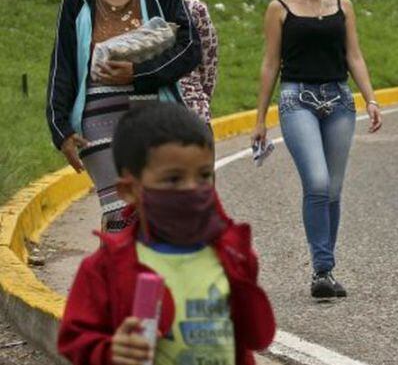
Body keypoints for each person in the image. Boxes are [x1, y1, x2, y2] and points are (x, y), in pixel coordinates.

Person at [57, 102, 275, 365]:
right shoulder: (107, 268)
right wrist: (111, 351)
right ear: (129, 191)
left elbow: (257, 335)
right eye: (173, 179)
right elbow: (74, 339)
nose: (192, 189)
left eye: (204, 175)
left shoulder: (230, 254)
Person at [47, 0, 200, 232]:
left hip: (154, 112)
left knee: (160, 213)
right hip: (97, 120)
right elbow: (63, 65)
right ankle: (118, 282)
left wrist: (139, 74)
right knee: (122, 216)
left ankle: (152, 282)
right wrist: (61, 131)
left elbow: (190, 48)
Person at [251, 0, 383, 299]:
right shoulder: (280, 8)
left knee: (335, 188)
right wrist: (260, 119)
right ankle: (321, 267)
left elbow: (354, 56)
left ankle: (325, 271)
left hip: (339, 99)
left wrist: (371, 99)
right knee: (319, 183)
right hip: (297, 100)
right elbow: (270, 63)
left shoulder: (343, 5)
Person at [132, 0, 219, 123]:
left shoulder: (194, 9)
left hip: (191, 112)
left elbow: (208, 65)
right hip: (142, 116)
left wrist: (200, 100)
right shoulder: (125, 13)